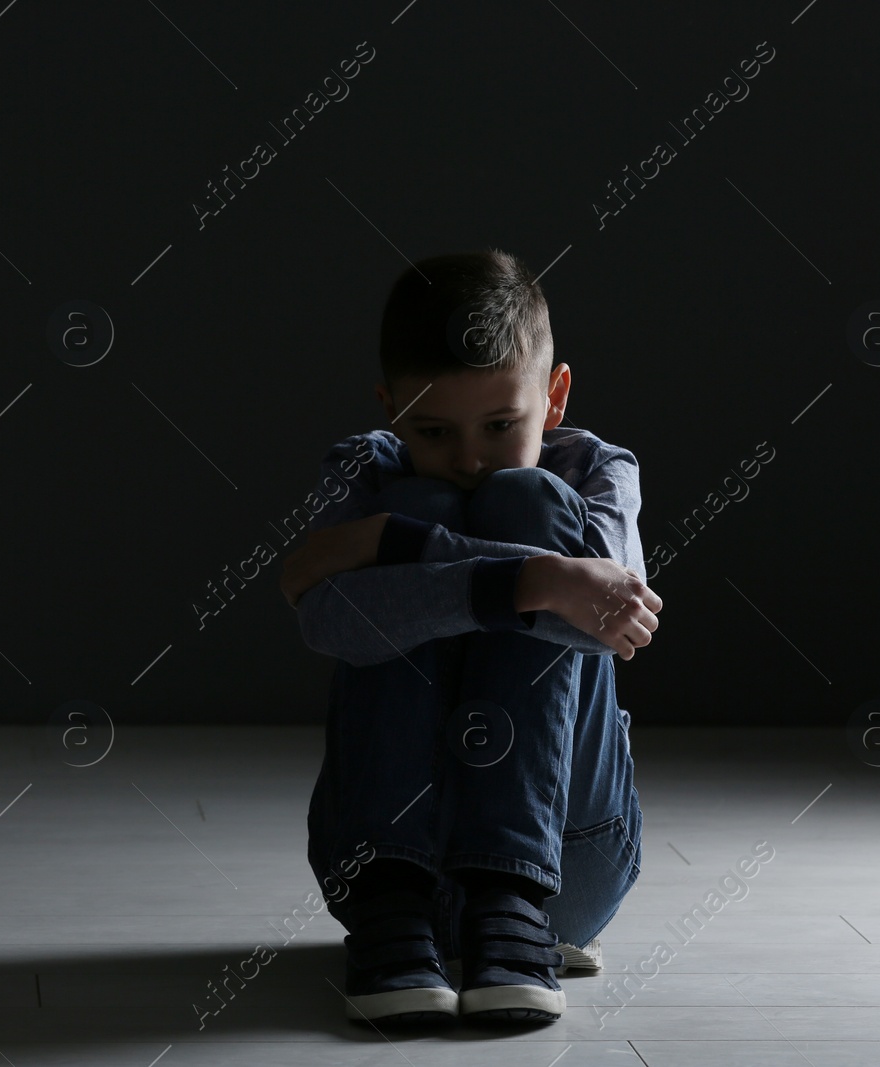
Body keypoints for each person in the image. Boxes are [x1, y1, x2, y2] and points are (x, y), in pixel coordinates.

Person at [280, 248, 662, 1027]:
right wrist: (535, 579)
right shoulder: (365, 469)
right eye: (433, 428)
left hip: (565, 867)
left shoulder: (599, 471)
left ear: (553, 398)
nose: (469, 458)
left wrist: (390, 543)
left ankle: (508, 890)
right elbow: (324, 620)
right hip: (380, 869)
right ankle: (398, 899)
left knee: (527, 498)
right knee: (423, 499)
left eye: (499, 423)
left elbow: (604, 626)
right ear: (390, 407)